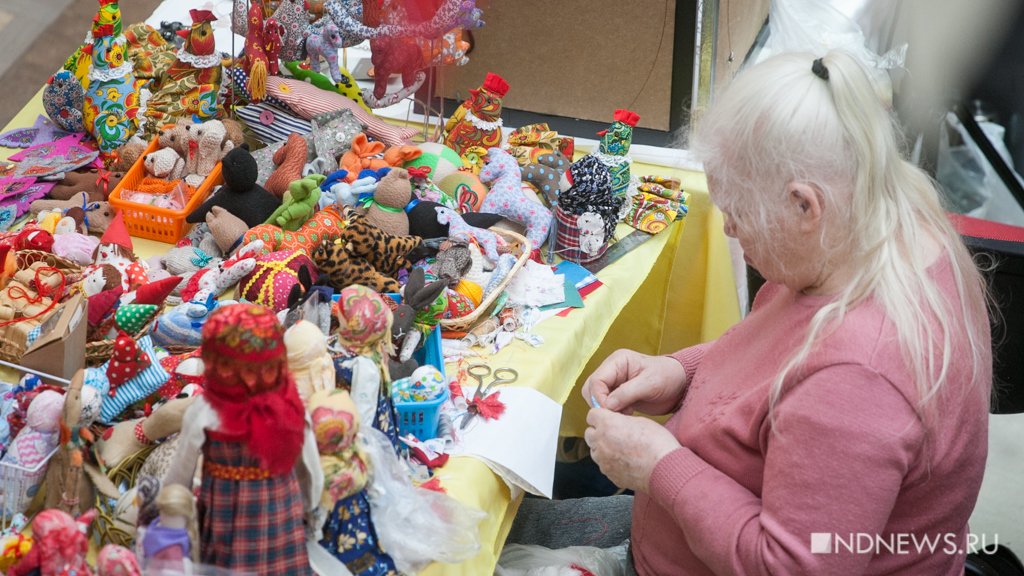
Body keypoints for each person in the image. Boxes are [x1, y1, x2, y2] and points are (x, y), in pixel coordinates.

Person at [541, 50, 991, 575]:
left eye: (738, 213)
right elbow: (785, 355)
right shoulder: (883, 223)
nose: (729, 230)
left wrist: (661, 466)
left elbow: (795, 566)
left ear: (805, 206)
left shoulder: (859, 384)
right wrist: (683, 371)